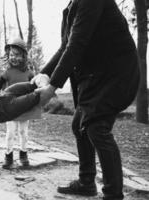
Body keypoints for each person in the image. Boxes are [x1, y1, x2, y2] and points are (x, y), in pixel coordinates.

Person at [31, 0, 140, 199]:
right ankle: (86, 182)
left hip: (116, 74)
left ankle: (113, 194)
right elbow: (66, 46)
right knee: (78, 125)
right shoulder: (73, 5)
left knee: (97, 127)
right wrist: (43, 74)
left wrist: (52, 87)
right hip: (98, 77)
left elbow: (77, 44)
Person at [0, 38, 34, 169]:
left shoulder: (29, 74)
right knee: (10, 133)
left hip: (24, 108)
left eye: (17, 55)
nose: (13, 58)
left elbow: (35, 89)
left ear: (23, 56)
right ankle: (8, 156)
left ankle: (23, 154)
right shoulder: (7, 73)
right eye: (11, 55)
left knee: (24, 132)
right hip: (9, 108)